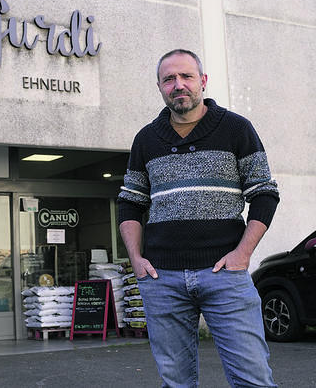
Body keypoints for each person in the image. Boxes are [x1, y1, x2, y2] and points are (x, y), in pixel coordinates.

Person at [118, 49, 279, 388]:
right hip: (162, 279)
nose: (178, 84)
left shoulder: (236, 128)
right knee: (176, 383)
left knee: (253, 380)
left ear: (202, 81)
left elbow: (264, 193)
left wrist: (243, 254)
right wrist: (136, 259)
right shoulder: (146, 139)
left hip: (225, 275)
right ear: (159, 87)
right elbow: (130, 202)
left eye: (186, 76)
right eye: (169, 79)